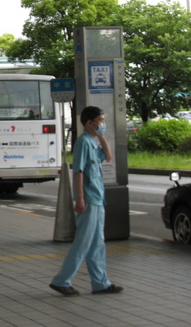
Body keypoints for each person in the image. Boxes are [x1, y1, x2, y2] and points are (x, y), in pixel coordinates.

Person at [49, 106, 123, 296]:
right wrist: (80, 198)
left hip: (98, 199)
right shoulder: (83, 142)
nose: (102, 123)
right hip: (88, 200)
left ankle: (101, 284)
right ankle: (61, 280)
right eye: (99, 120)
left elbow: (107, 156)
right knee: (83, 242)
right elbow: (79, 171)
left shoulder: (92, 141)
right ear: (89, 123)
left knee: (97, 243)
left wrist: (101, 136)